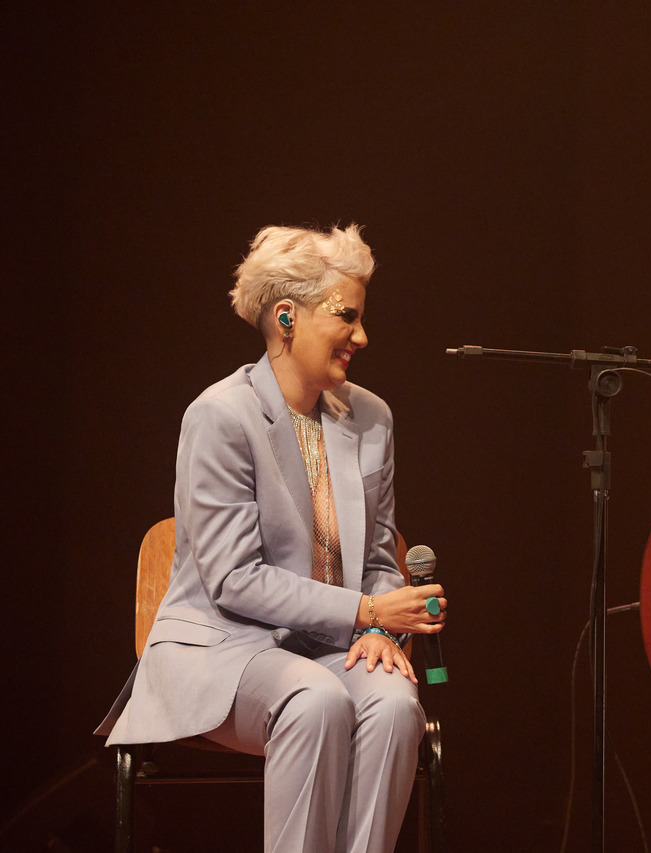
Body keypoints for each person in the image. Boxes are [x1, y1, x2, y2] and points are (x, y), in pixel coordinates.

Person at [97, 223, 447, 853]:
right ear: (287, 317)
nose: (362, 337)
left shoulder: (371, 418)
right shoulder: (220, 416)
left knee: (397, 706)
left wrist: (380, 630)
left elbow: (378, 556)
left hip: (329, 648)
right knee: (315, 701)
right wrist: (367, 611)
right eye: (347, 316)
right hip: (224, 647)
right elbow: (235, 579)